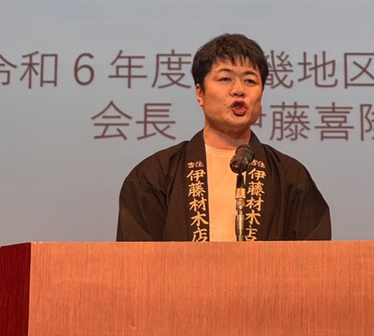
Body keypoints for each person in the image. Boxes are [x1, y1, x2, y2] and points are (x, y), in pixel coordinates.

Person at [117, 33, 331, 241]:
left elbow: (313, 259)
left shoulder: (291, 177)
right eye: (225, 79)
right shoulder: (154, 176)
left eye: (250, 81)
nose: (239, 90)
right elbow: (138, 260)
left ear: (261, 94)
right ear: (200, 93)